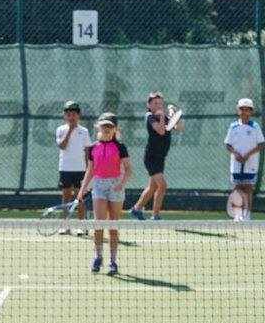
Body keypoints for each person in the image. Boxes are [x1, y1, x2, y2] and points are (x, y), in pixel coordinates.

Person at [76, 113, 132, 275]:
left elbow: (129, 169)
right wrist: (82, 190)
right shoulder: (93, 148)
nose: (106, 129)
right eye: (104, 126)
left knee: (113, 227)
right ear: (98, 127)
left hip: (116, 185)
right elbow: (91, 170)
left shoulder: (120, 147)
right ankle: (98, 257)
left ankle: (113, 262)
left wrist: (121, 184)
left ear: (115, 129)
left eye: (110, 126)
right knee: (98, 224)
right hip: (99, 185)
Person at [130, 91, 182, 221]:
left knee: (153, 187)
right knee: (162, 185)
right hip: (151, 157)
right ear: (149, 105)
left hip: (161, 157)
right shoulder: (149, 116)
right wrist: (163, 117)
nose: (158, 105)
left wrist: (176, 114)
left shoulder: (164, 116)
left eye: (160, 103)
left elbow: (179, 128)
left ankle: (136, 209)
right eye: (155, 103)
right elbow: (160, 130)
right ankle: (156, 215)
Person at [55, 100, 92, 235]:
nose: (71, 117)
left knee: (80, 196)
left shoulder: (84, 131)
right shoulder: (60, 130)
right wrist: (70, 130)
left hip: (81, 170)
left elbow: (87, 152)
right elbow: (62, 146)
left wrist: (89, 170)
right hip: (65, 168)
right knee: (66, 196)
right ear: (65, 116)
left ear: (79, 115)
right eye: (68, 114)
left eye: (74, 114)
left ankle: (81, 225)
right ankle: (65, 225)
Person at [225, 98, 265, 221]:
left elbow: (261, 144)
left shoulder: (255, 126)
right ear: (238, 111)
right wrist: (236, 154)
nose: (244, 112)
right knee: (238, 187)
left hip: (251, 162)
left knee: (248, 187)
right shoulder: (233, 126)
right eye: (242, 109)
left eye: (247, 109)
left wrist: (248, 155)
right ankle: (237, 214)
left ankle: (247, 214)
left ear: (251, 112)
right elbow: (228, 144)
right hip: (236, 163)